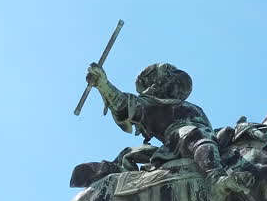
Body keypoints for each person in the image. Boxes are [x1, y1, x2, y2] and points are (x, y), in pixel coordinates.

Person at [85, 62, 223, 175]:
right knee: (195, 134)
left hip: (209, 139)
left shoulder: (192, 107)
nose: (172, 77)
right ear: (156, 84)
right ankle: (215, 175)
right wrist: (103, 84)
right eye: (167, 75)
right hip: (181, 140)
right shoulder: (152, 104)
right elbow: (125, 104)